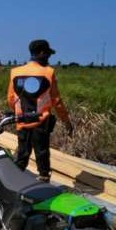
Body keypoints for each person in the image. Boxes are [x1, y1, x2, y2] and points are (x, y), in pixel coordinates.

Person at [7, 39, 73, 183]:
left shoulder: (15, 72)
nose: (49, 58)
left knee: (22, 154)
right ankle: (43, 181)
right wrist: (66, 121)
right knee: (42, 153)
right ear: (41, 53)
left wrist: (20, 113)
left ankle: (15, 184)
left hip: (22, 121)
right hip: (41, 122)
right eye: (48, 55)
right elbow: (56, 101)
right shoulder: (48, 72)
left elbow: (11, 99)